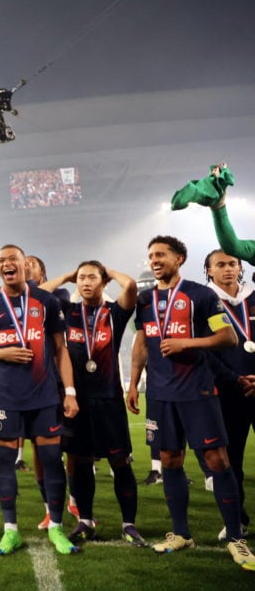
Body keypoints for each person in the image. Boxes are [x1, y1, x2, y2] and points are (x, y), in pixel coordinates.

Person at [126, 236, 255, 571]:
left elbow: (227, 337)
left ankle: (235, 538)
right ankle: (181, 533)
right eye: (151, 254)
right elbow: (142, 342)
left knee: (217, 459)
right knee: (169, 459)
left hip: (197, 391)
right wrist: (133, 381)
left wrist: (187, 343)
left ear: (179, 258)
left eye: (161, 255)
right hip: (159, 394)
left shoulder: (201, 294)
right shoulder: (144, 300)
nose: (155, 260)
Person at [0, 244, 80, 556]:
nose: (7, 264)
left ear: (24, 266)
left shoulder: (46, 301)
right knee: (4, 463)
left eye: (13, 259)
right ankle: (11, 531)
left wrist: (69, 392)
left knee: (50, 461)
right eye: (1, 260)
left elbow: (60, 349)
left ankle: (57, 527)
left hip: (44, 395)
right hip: (5, 398)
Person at [39, 262, 145, 546]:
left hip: (108, 398)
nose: (85, 282)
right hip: (75, 400)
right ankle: (85, 521)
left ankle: (129, 523)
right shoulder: (68, 311)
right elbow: (36, 295)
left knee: (119, 460)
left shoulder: (114, 313)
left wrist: (109, 271)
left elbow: (131, 286)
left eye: (92, 277)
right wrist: (66, 276)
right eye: (81, 278)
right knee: (78, 461)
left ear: (104, 282)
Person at [204, 249, 255, 541]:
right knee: (230, 460)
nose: (227, 269)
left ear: (240, 268)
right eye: (220, 264)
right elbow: (208, 351)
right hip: (228, 393)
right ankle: (238, 521)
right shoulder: (205, 302)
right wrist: (235, 378)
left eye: (232, 263)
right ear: (209, 271)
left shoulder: (254, 297)